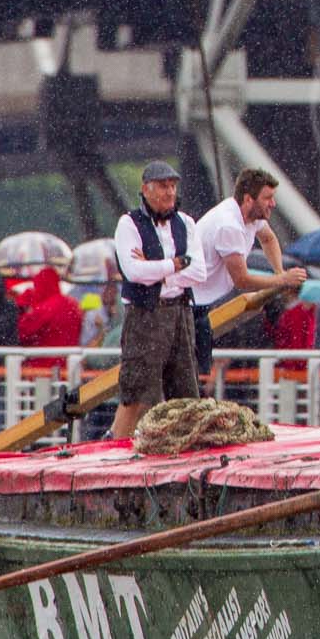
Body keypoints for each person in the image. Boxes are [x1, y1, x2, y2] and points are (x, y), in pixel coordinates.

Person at [184, 168, 308, 387]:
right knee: (184, 372)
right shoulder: (229, 225)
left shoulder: (253, 217)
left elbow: (269, 240)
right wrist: (282, 280)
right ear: (249, 199)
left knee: (194, 370)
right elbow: (242, 280)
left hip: (205, 299)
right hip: (188, 300)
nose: (273, 204)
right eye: (268, 198)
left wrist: (279, 272)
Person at [111, 161, 203, 440]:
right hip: (144, 314)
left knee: (186, 393)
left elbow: (199, 271)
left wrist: (160, 272)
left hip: (180, 313)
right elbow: (134, 272)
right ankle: (117, 450)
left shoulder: (186, 222)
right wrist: (176, 265)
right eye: (163, 186)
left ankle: (181, 455)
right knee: (136, 393)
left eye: (173, 186)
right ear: (146, 189)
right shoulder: (129, 224)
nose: (170, 192)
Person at [16, 266, 83, 375]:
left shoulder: (46, 308)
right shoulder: (72, 305)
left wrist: (22, 307)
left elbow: (21, 331)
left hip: (45, 371)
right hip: (70, 368)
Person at [81, 275, 125, 348]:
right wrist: (101, 330)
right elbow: (87, 348)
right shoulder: (93, 315)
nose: (109, 293)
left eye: (114, 290)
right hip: (96, 353)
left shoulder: (122, 314)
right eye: (107, 289)